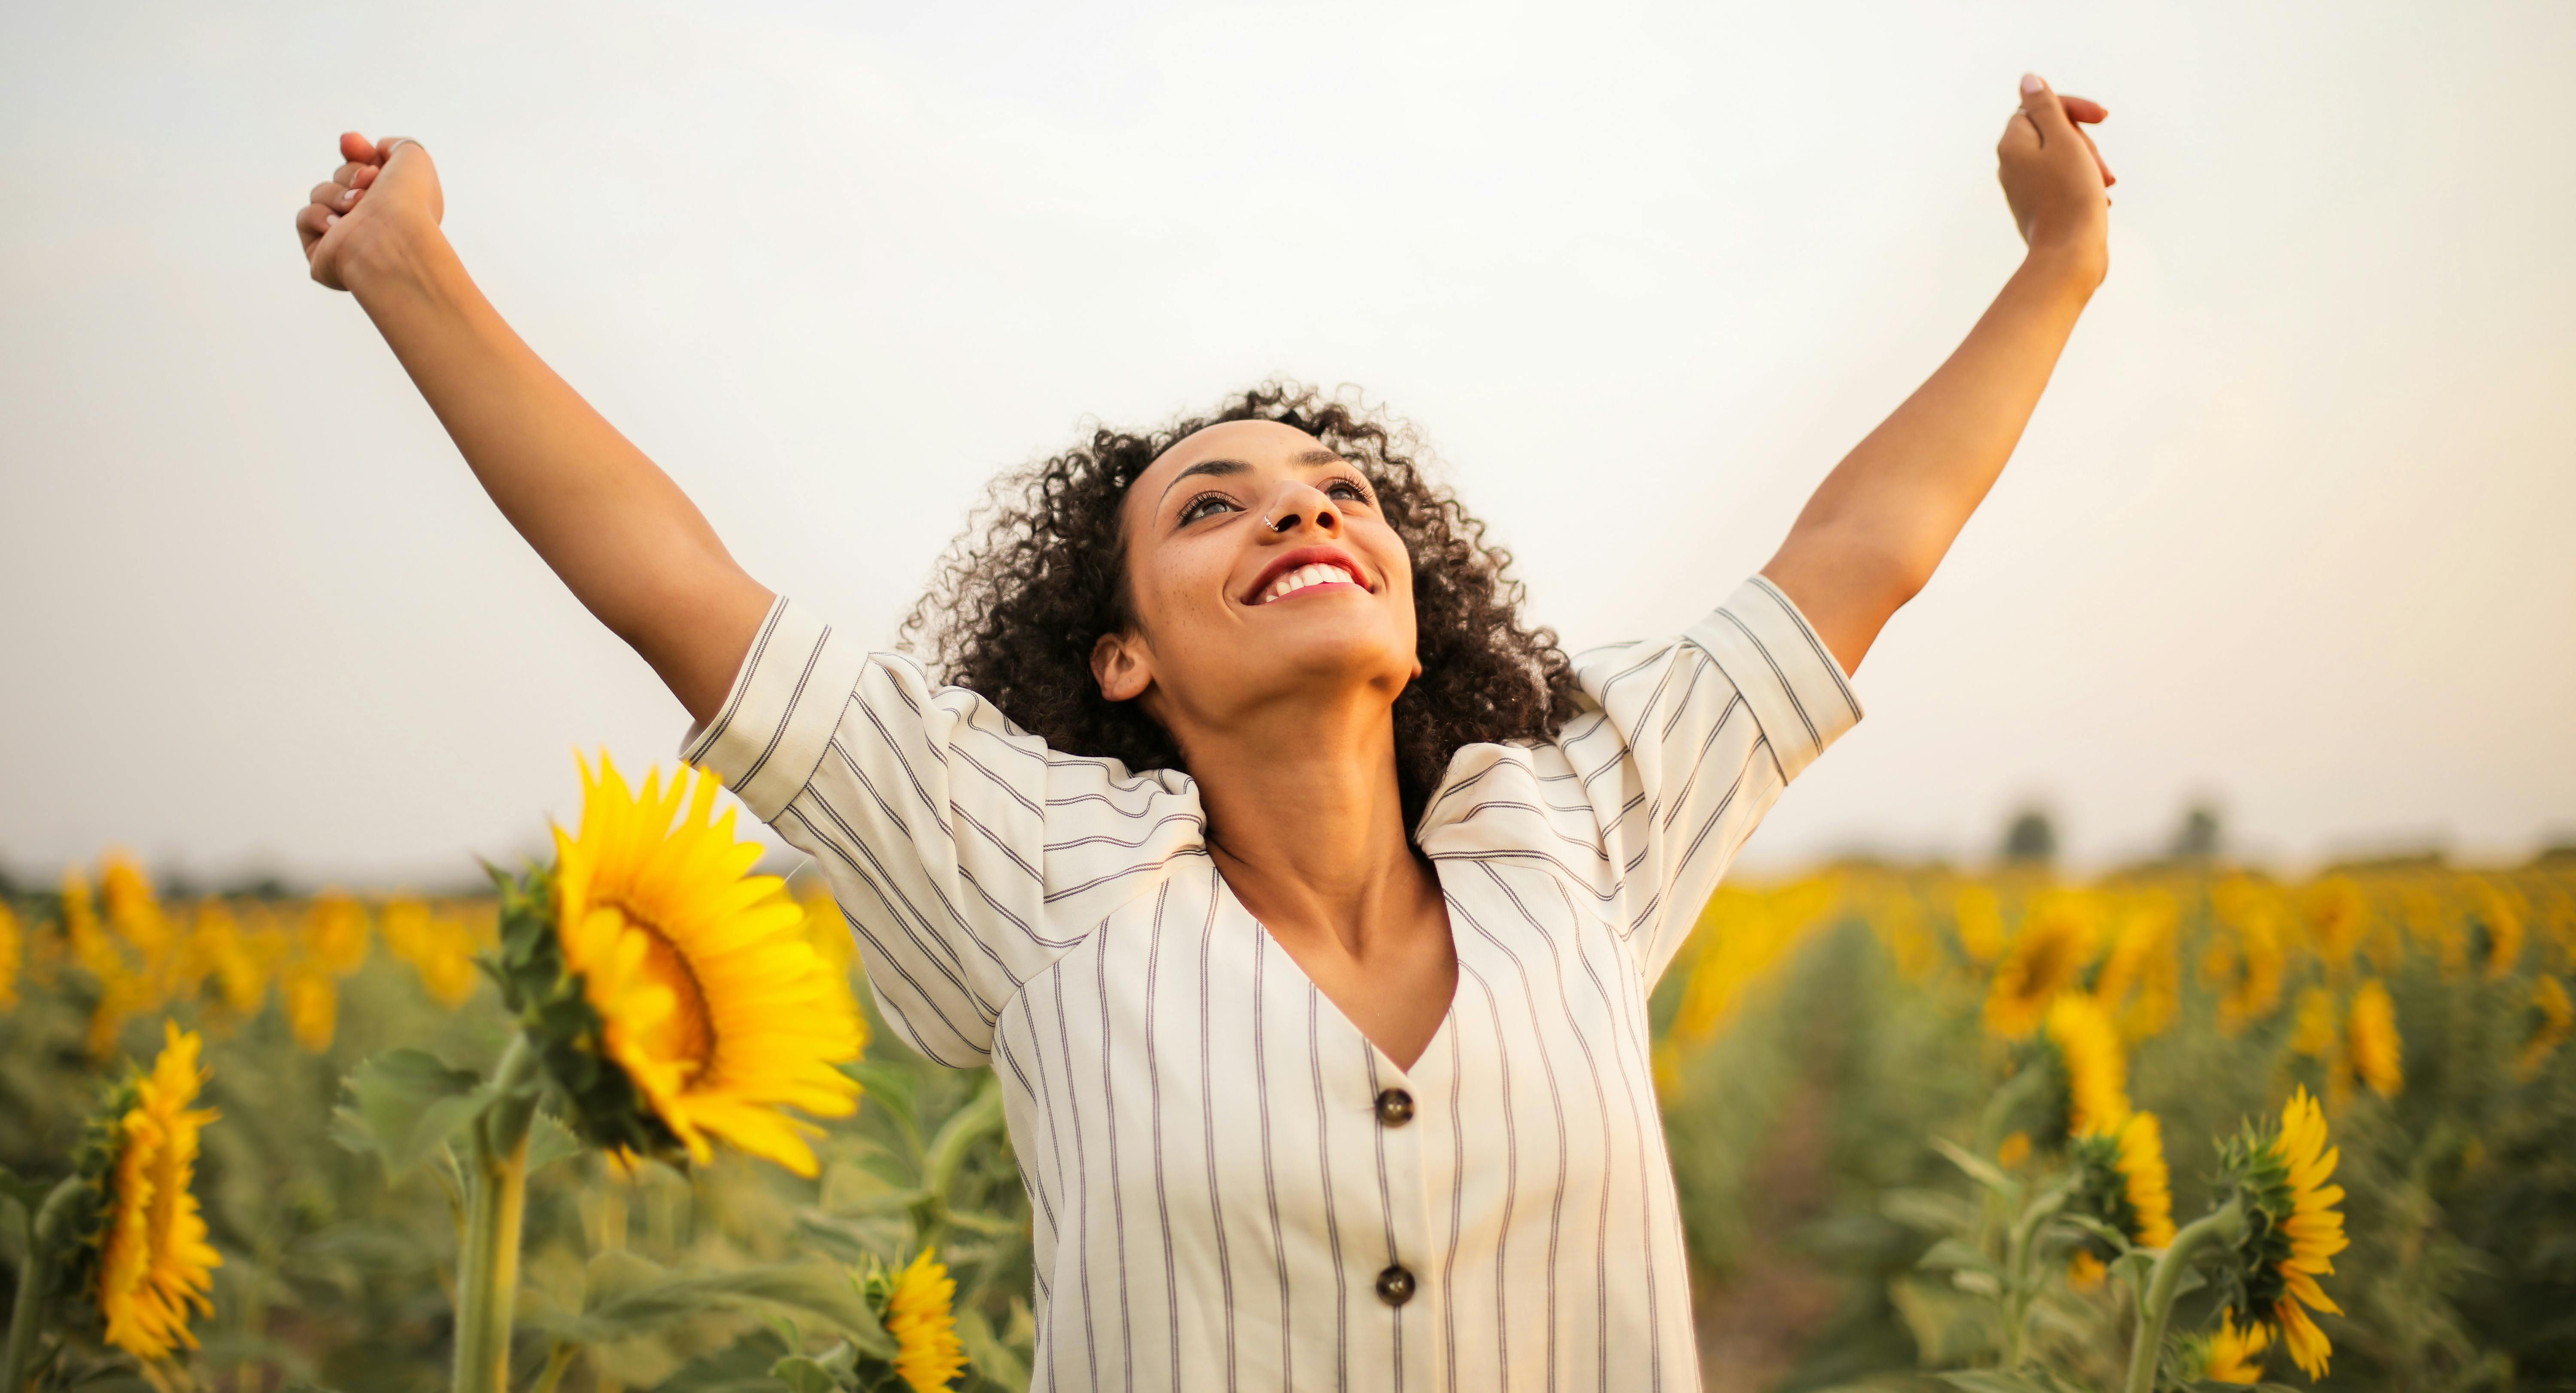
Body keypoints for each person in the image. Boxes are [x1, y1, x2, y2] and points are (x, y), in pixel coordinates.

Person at [289, 74, 2114, 1391]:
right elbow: (674, 588)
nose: (1304, 515)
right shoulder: (1038, 880)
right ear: (1118, 662)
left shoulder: (1575, 823)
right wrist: (411, 270)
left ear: (1415, 609)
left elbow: (1862, 555)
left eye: (1340, 494)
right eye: (1213, 508)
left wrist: (2058, 265)